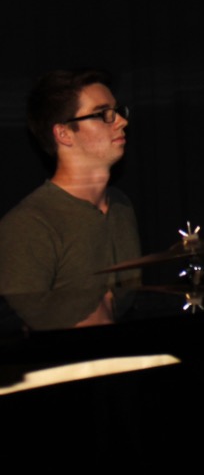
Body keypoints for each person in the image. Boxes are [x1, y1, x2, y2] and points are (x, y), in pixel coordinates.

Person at [0, 69, 140, 330]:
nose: (121, 121)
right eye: (102, 114)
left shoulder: (121, 206)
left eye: (118, 111)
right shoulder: (29, 224)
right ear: (64, 134)